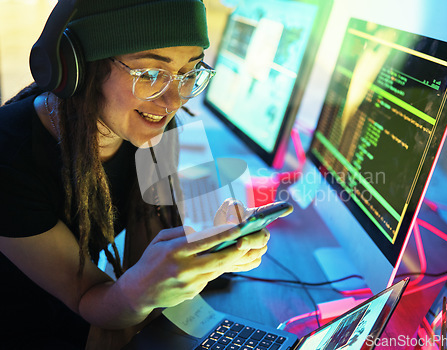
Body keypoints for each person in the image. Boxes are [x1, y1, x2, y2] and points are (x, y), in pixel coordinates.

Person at [0, 1, 272, 349]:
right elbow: (92, 301)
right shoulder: (9, 157)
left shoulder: (166, 128)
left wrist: (224, 242)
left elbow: (207, 219)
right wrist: (144, 287)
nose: (174, 100)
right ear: (80, 69)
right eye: (150, 75)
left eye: (189, 73)